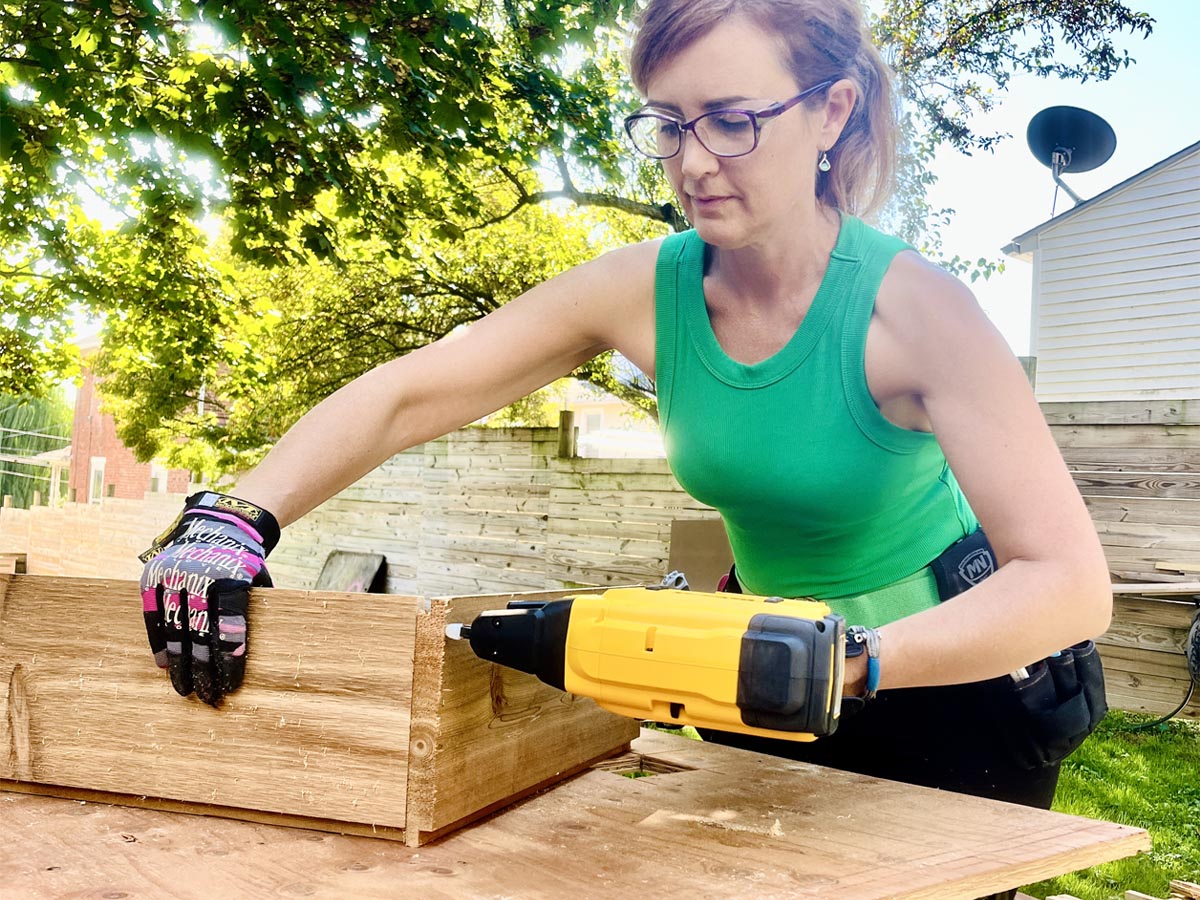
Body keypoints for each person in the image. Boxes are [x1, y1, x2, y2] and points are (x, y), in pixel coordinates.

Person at [140, 3, 1112, 894]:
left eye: (732, 119)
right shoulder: (643, 290)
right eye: (667, 122)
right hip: (761, 674)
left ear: (831, 113)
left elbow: (1068, 582)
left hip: (949, 689)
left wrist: (848, 664)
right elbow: (416, 390)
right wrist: (235, 515)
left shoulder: (919, 311)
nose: (692, 162)